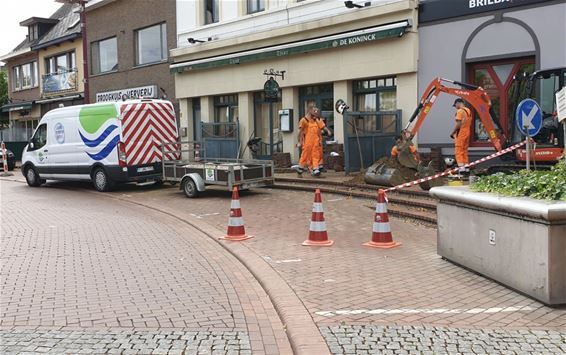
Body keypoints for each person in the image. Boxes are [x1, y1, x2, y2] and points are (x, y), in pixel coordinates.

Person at [293, 107, 327, 176]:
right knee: (305, 155)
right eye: (314, 111)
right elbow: (299, 132)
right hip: (307, 142)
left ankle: (315, 169)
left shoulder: (315, 120)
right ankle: (300, 168)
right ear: (310, 111)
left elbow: (320, 129)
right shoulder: (304, 120)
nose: (316, 112)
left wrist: (323, 134)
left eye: (316, 111)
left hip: (315, 142)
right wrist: (299, 141)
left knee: (315, 155)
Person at [450, 98, 472, 172]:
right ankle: (466, 168)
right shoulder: (468, 111)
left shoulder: (460, 111)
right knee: (464, 151)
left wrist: (452, 133)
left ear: (458, 103)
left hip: (461, 133)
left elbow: (458, 124)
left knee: (458, 151)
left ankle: (461, 169)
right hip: (467, 132)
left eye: (455, 105)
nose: (455, 107)